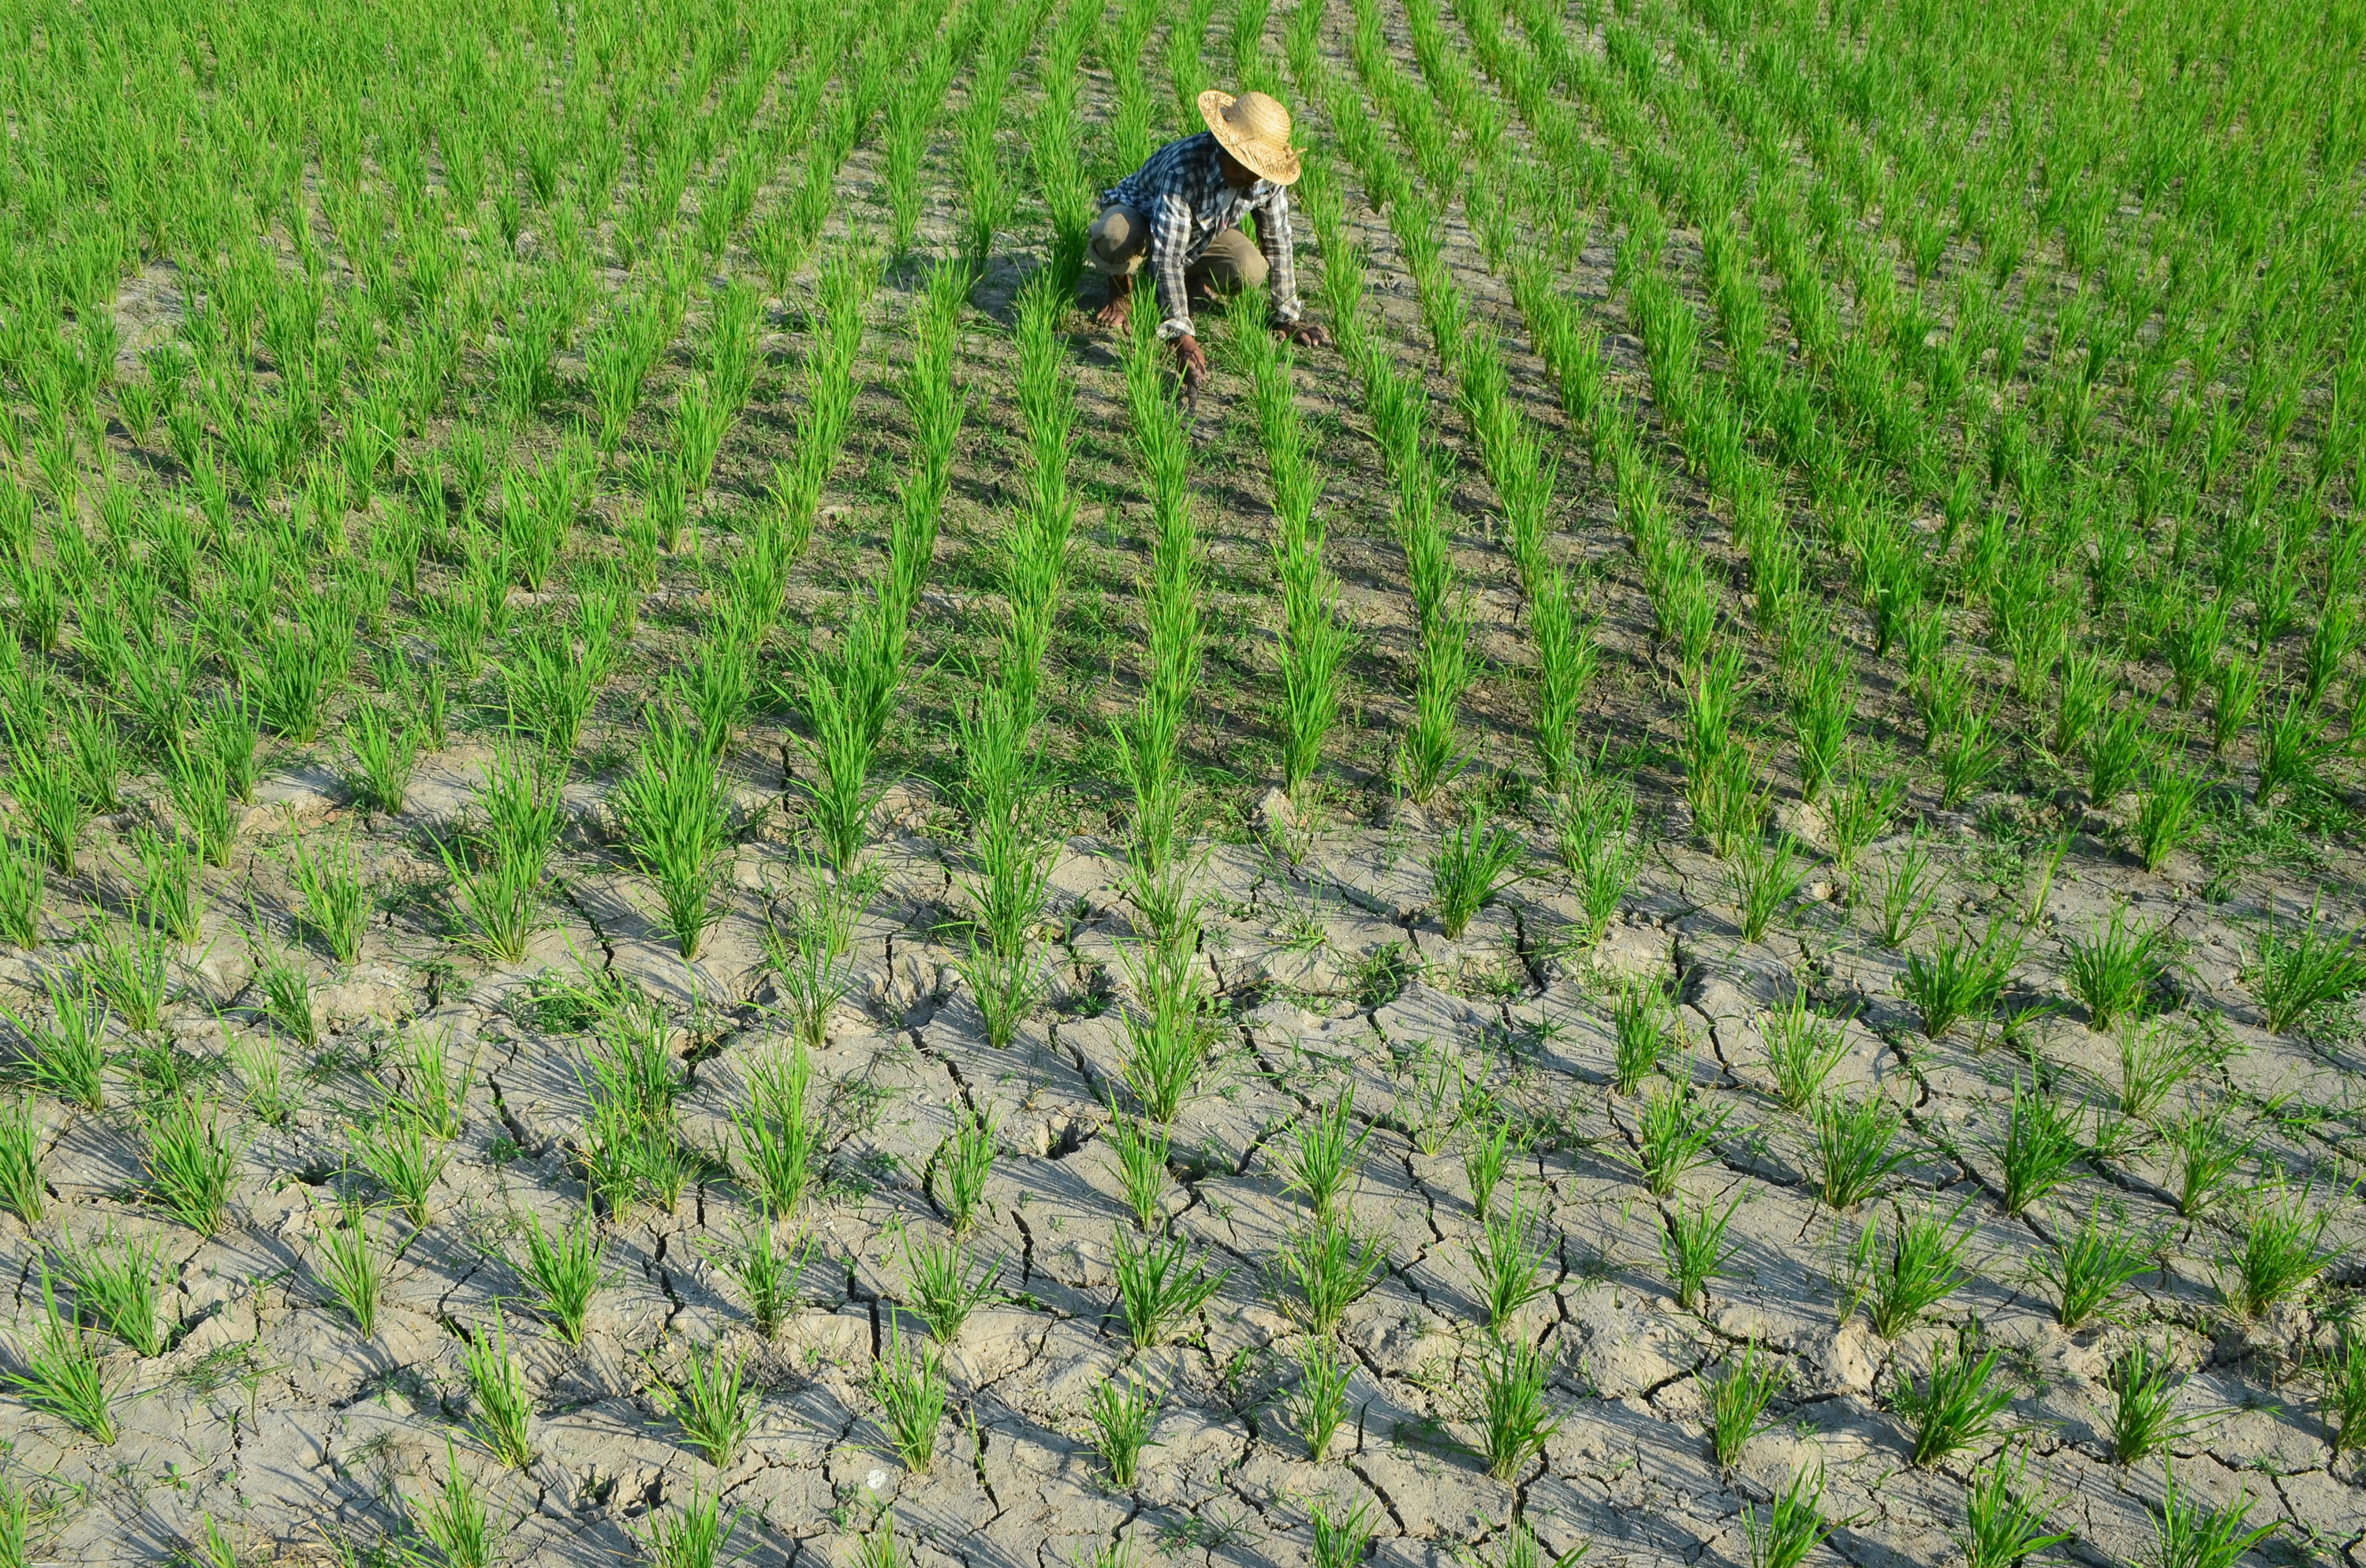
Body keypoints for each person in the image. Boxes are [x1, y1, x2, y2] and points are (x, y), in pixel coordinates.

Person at [1088, 88, 1332, 390]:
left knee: (1249, 267)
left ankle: (1190, 285)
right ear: (1223, 144)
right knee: (1115, 235)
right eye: (1240, 163)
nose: (1246, 174)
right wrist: (1181, 337)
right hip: (1143, 220)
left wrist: (1286, 315)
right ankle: (1120, 290)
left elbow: (1277, 240)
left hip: (1201, 232)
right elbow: (1167, 255)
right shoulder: (1185, 165)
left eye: (1255, 168)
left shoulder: (1266, 176)